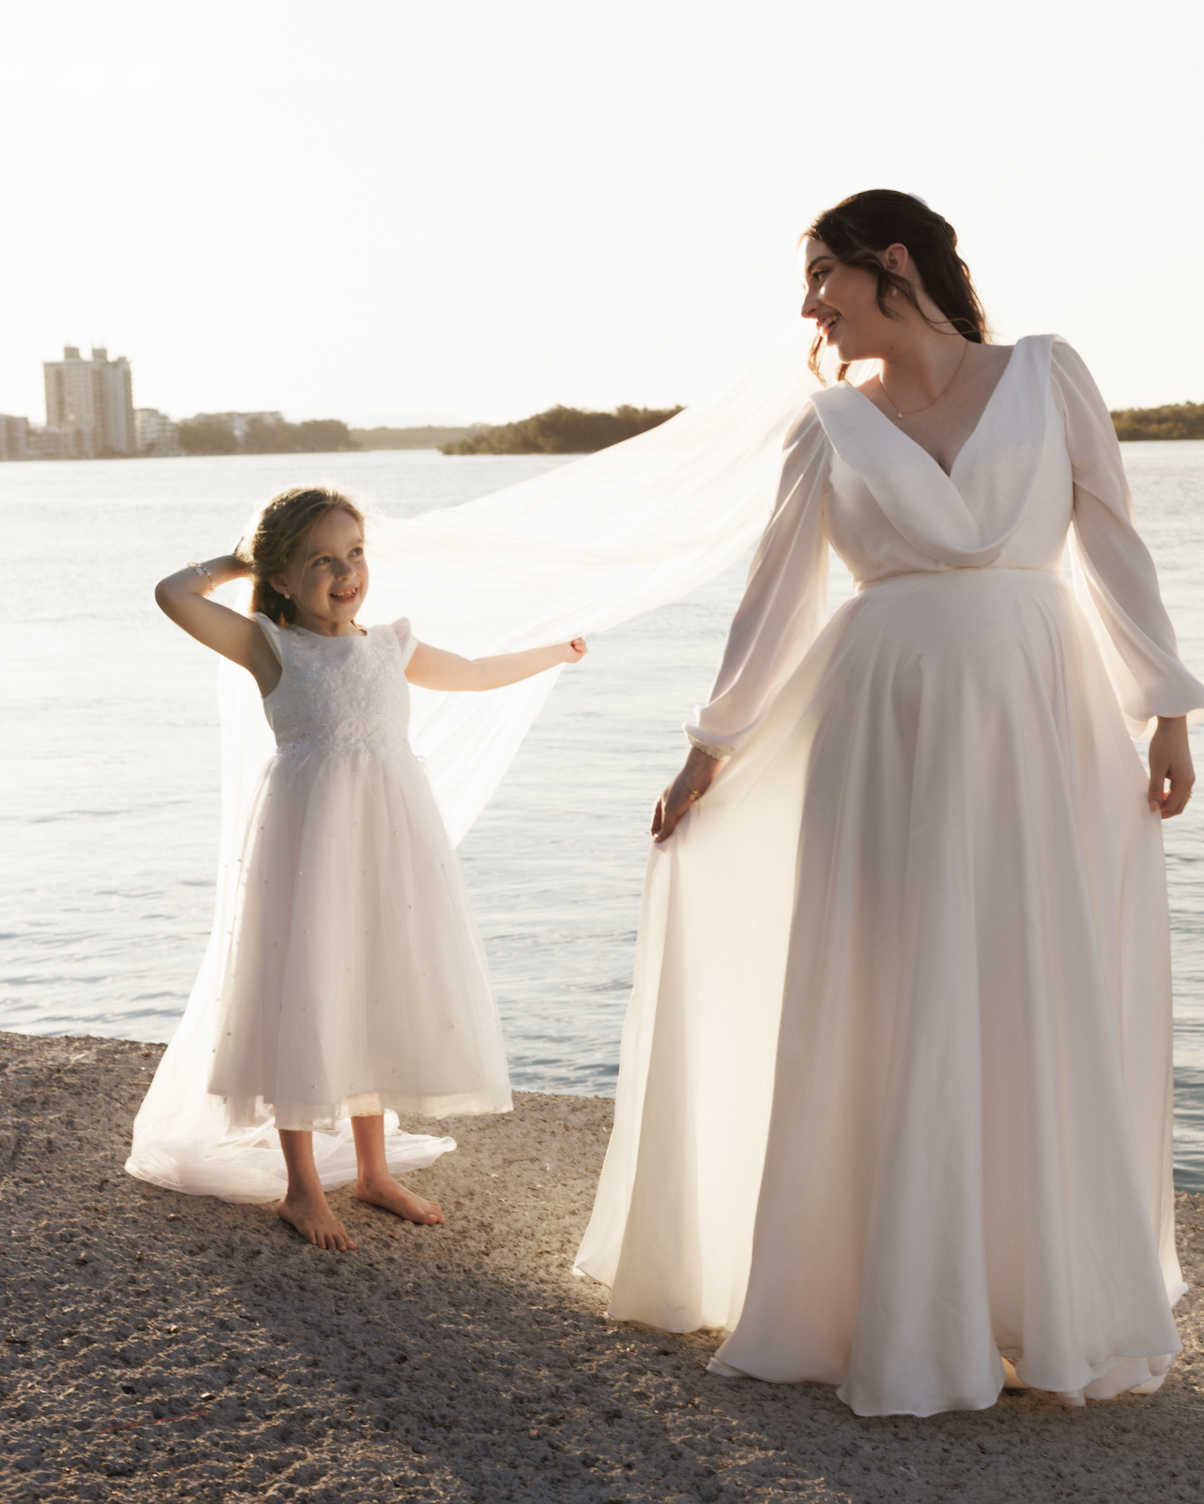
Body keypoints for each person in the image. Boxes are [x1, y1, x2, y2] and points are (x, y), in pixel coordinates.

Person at [575, 190, 1204, 1415]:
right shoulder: (827, 427)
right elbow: (773, 600)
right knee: (889, 988)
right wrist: (710, 749)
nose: (809, 305)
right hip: (878, 730)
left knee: (1028, 975)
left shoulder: (1047, 375)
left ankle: (1035, 1291)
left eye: (823, 275)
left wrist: (1169, 707)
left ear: (894, 263)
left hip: (1037, 714)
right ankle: (900, 1302)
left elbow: (1113, 544)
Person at [146, 485, 586, 1251]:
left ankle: (374, 1173)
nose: (345, 572)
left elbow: (477, 671)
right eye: (320, 560)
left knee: (374, 982)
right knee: (307, 986)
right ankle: (302, 1187)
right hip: (307, 845)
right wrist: (241, 560)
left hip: (388, 841)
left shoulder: (391, 645)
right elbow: (172, 595)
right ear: (282, 578)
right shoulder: (270, 646)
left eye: (354, 553)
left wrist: (555, 651)